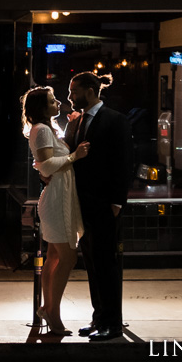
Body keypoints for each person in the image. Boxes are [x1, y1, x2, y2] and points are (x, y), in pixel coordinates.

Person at [64, 71, 132, 342]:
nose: (70, 97)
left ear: (90, 91)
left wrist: (117, 202)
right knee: (92, 263)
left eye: (74, 91)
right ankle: (98, 317)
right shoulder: (77, 121)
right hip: (83, 205)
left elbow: (124, 162)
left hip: (105, 204)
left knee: (107, 264)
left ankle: (112, 322)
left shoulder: (116, 120)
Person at [23, 86, 90, 335]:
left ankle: (48, 308)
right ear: (42, 107)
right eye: (52, 100)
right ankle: (53, 312)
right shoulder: (41, 130)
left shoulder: (49, 129)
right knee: (68, 258)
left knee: (54, 257)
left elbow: (41, 163)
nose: (58, 102)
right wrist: (75, 156)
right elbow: (48, 165)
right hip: (55, 201)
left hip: (60, 197)